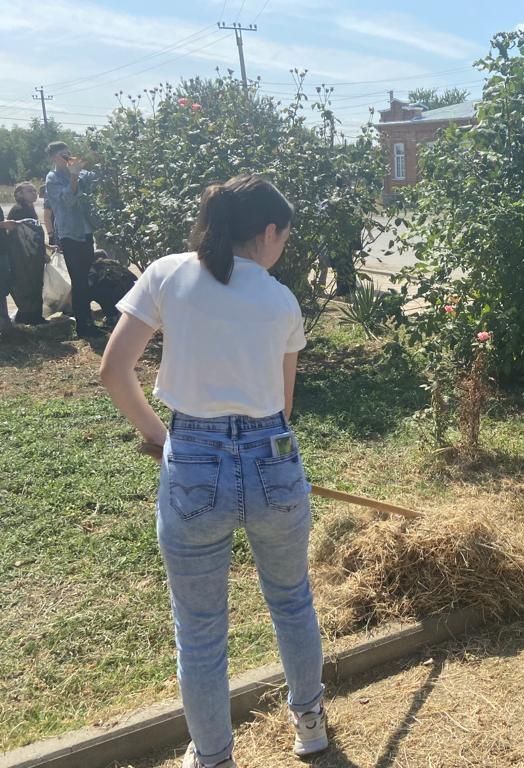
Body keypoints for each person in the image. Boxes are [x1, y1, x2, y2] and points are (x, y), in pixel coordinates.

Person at [100, 175, 328, 768]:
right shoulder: (281, 300)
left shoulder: (168, 274)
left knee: (200, 629)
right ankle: (310, 724)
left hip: (193, 459)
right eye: (285, 237)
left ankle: (212, 757)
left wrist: (159, 437)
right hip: (272, 462)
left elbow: (114, 371)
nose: (284, 248)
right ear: (269, 231)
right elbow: (282, 409)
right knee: (292, 600)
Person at [44, 141, 102, 338]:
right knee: (78, 280)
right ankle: (83, 326)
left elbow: (98, 180)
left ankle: (88, 321)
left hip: (85, 232)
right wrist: (74, 176)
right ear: (53, 157)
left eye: (68, 153)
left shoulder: (80, 173)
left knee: (86, 278)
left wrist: (95, 158)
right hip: (70, 235)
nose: (67, 157)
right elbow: (68, 201)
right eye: (62, 155)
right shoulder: (52, 178)